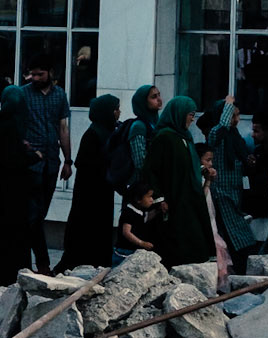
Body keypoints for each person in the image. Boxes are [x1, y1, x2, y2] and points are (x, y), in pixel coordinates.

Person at [143, 95, 215, 266]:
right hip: (173, 198)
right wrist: (159, 198)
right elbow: (151, 170)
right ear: (179, 113)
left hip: (189, 197)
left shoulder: (185, 137)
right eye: (190, 114)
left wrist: (203, 170)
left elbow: (188, 163)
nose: (192, 118)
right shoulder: (164, 137)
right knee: (176, 240)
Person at [57, 92, 121, 270]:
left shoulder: (107, 131)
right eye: (115, 109)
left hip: (102, 190)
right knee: (86, 228)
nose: (118, 113)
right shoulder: (93, 134)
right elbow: (88, 164)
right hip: (90, 192)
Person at [21, 64, 72, 272]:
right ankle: (42, 263)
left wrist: (68, 160)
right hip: (31, 162)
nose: (34, 78)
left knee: (39, 215)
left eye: (39, 74)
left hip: (52, 161)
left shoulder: (59, 95)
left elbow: (63, 128)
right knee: (32, 215)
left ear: (49, 73)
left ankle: (37, 263)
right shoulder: (23, 94)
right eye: (32, 74)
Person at [205, 99, 255, 272]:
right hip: (221, 192)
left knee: (237, 234)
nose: (236, 119)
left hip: (234, 192)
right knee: (236, 235)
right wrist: (228, 106)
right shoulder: (216, 134)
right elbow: (221, 127)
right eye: (232, 115)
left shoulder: (235, 136)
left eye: (237, 115)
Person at [0, 85, 34, 285]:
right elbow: (13, 161)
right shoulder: (12, 127)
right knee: (16, 237)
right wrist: (32, 156)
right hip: (14, 194)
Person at [198, 143, 232, 289]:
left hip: (210, 215)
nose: (210, 164)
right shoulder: (197, 176)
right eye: (207, 160)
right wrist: (207, 181)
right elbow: (201, 197)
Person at [115, 177, 165, 261]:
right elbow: (126, 232)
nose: (152, 200)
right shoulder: (129, 212)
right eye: (149, 197)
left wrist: (158, 209)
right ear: (138, 199)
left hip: (131, 251)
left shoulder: (139, 210)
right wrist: (141, 243)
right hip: (124, 252)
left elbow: (146, 218)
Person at [243, 114, 268, 226]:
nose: (253, 135)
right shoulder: (258, 151)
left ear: (267, 132)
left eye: (256, 131)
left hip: (267, 205)